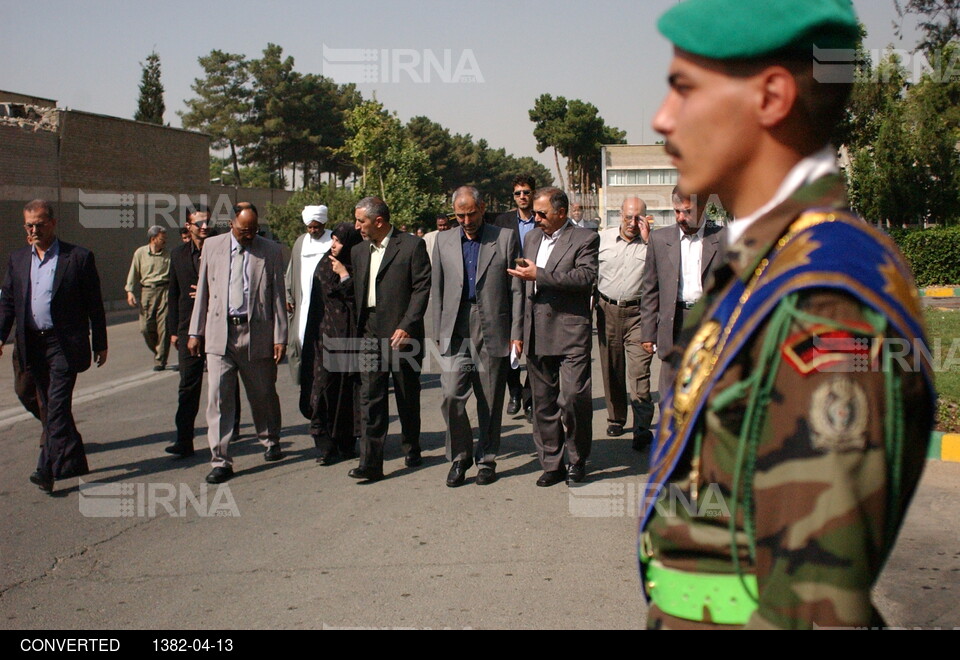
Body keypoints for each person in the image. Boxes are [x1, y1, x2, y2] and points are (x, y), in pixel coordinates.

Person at [639, 0, 935, 629]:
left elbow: (812, 608)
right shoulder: (768, 262)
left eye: (684, 89)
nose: (662, 119)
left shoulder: (824, 301)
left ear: (771, 97)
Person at [0, 200, 108, 493]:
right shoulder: (19, 259)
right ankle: (70, 446)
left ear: (53, 223)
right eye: (28, 225)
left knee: (56, 406)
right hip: (30, 344)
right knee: (28, 395)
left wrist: (100, 342)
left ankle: (45, 468)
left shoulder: (78, 258)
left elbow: (94, 305)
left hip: (63, 344)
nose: (34, 230)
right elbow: (8, 301)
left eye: (39, 224)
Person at [188, 203, 287, 484]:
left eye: (254, 230)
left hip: (256, 333)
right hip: (221, 333)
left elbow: (278, 296)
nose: (249, 235)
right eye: (245, 230)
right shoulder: (213, 247)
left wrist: (280, 337)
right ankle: (220, 459)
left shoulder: (269, 250)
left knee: (263, 392)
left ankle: (270, 439)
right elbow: (203, 293)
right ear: (232, 224)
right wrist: (195, 332)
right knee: (218, 399)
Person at [508, 187, 598, 487]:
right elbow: (521, 288)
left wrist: (541, 275)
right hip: (537, 333)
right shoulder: (532, 238)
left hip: (570, 331)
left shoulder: (585, 239)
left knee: (573, 399)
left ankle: (577, 459)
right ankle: (552, 462)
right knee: (543, 405)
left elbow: (585, 277)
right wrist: (517, 332)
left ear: (562, 212)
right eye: (534, 212)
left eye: (542, 213)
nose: (536, 218)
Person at [433, 187, 523, 487]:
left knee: (490, 398)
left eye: (471, 213)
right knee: (451, 395)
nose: (466, 220)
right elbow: (438, 287)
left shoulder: (505, 238)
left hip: (492, 325)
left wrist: (516, 332)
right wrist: (437, 331)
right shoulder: (443, 240)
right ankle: (460, 456)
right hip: (455, 329)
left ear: (483, 208)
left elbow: (516, 290)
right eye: (460, 215)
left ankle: (486, 458)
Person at [348, 197, 431, 482]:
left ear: (378, 221)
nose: (357, 226)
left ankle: (412, 445)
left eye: (361, 221)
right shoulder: (358, 252)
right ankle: (370, 462)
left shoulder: (411, 246)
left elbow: (422, 288)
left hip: (402, 334)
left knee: (407, 393)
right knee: (370, 397)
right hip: (370, 331)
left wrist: (407, 325)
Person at [165, 204, 240, 458]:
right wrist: (174, 331)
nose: (205, 226)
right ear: (188, 227)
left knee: (225, 381)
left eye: (208, 222)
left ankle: (233, 430)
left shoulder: (224, 250)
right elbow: (173, 294)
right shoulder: (177, 255)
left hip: (221, 324)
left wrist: (208, 293)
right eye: (199, 223)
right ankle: (183, 439)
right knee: (188, 385)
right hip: (190, 328)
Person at [640, 187, 723, 403]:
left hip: (707, 322)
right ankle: (670, 434)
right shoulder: (659, 239)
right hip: (673, 320)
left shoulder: (723, 239)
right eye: (676, 211)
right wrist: (648, 332)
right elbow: (650, 288)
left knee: (706, 386)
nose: (680, 218)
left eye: (687, 211)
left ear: (704, 208)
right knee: (668, 391)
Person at [596, 197, 655, 450]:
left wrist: (649, 240)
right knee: (612, 369)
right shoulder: (602, 239)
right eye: (628, 216)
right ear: (620, 214)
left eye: (638, 217)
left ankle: (642, 427)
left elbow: (665, 269)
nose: (632, 223)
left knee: (639, 372)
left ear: (645, 217)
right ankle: (616, 418)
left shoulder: (654, 244)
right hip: (606, 309)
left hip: (638, 314)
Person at [307, 222, 364, 465]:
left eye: (339, 242)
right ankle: (325, 445)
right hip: (325, 339)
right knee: (324, 390)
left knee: (347, 392)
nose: (334, 245)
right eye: (333, 240)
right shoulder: (324, 263)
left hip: (351, 339)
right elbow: (322, 296)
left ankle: (346, 443)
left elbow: (360, 298)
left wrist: (345, 274)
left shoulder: (359, 263)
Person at [495, 175, 538, 421]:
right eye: (518, 193)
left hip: (535, 285)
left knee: (533, 344)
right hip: (509, 287)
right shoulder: (503, 222)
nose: (522, 196)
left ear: (533, 194)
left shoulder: (541, 220)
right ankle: (514, 391)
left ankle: (530, 398)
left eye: (526, 192)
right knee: (510, 342)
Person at [286, 205, 333, 419]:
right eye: (310, 227)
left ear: (324, 224)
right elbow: (291, 273)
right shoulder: (300, 243)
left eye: (317, 227)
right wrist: (289, 297)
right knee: (303, 349)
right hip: (304, 306)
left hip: (329, 308)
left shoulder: (334, 241)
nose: (313, 231)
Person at [125, 225, 171, 371]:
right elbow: (134, 271)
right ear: (153, 239)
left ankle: (160, 360)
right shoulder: (140, 253)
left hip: (165, 290)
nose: (165, 242)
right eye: (162, 239)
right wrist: (129, 291)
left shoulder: (169, 254)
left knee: (163, 327)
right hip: (147, 292)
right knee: (145, 328)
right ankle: (158, 350)